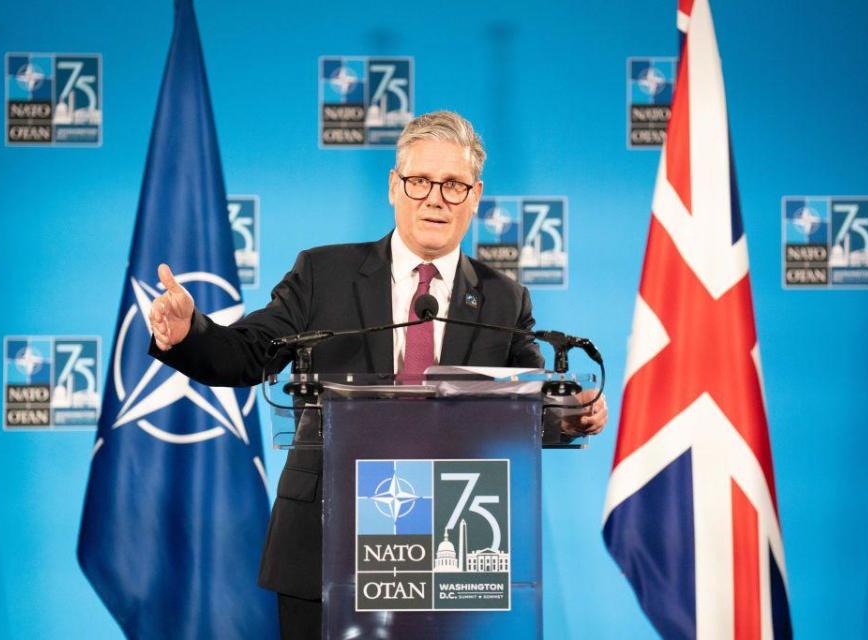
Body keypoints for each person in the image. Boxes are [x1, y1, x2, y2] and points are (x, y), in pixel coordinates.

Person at [147, 110, 608, 639]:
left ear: (475, 196)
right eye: (419, 181)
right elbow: (251, 352)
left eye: (454, 185)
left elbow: (528, 402)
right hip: (326, 541)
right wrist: (188, 333)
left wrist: (572, 416)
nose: (435, 198)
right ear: (394, 186)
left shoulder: (504, 297)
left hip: (453, 550)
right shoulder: (323, 274)